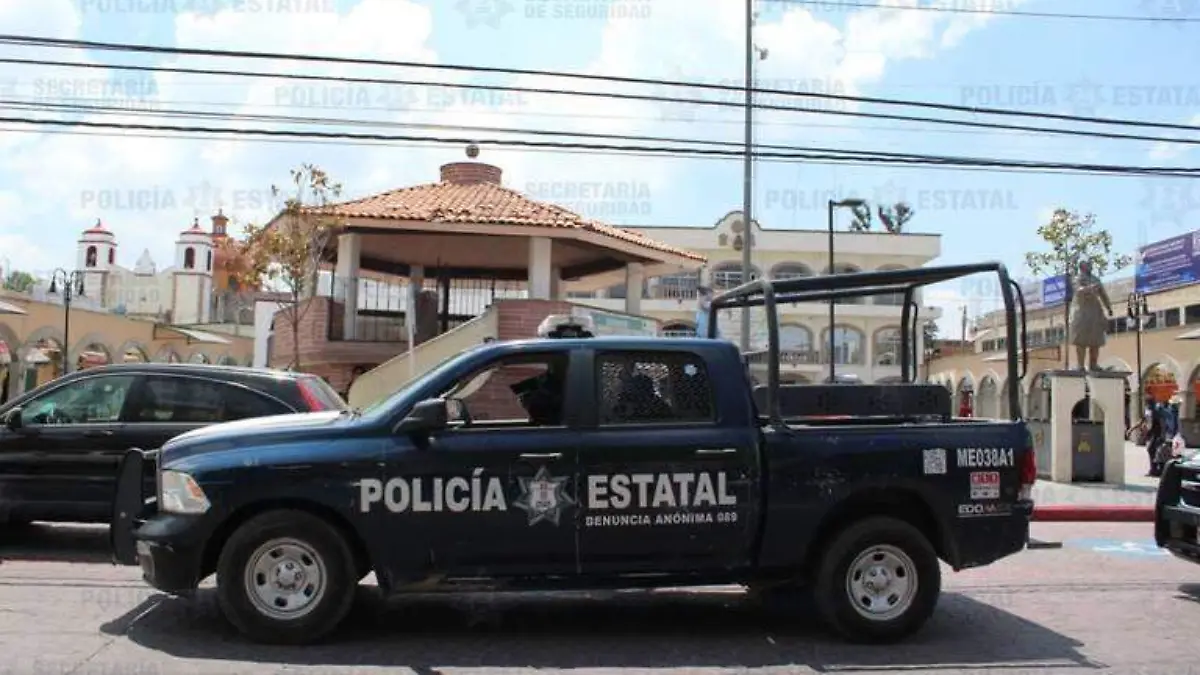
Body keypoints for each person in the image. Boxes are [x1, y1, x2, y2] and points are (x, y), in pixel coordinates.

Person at [1069, 260, 1113, 372]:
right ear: (1082, 266)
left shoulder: (1095, 279)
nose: (1090, 266)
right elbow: (1078, 290)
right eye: (1088, 264)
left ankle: (1094, 365)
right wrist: (1089, 288)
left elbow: (1103, 295)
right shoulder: (1078, 278)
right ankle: (1080, 365)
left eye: (1090, 264)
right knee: (1081, 341)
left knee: (1095, 341)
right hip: (1082, 312)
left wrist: (1109, 308)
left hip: (1095, 312)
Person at [1146, 397, 1167, 477]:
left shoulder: (1156, 412)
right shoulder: (1150, 411)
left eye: (1148, 403)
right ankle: (1155, 469)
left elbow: (1162, 423)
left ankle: (1155, 470)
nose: (1148, 405)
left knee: (1152, 450)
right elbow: (1148, 422)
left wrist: (1162, 435)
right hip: (1154, 434)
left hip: (1157, 434)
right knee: (1153, 451)